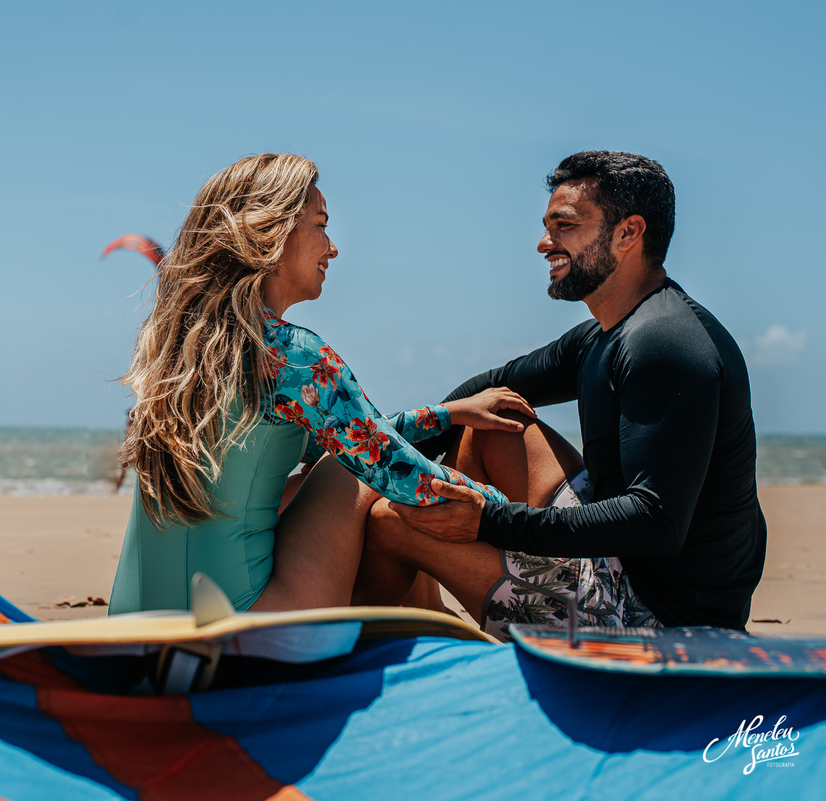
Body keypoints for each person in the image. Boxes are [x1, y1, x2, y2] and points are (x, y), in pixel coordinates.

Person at [361, 151, 766, 639]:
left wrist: (489, 522)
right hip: (620, 560)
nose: (543, 243)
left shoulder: (664, 345)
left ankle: (375, 650)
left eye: (565, 226)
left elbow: (654, 520)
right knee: (495, 419)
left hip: (658, 617)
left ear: (628, 233)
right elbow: (487, 390)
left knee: (390, 522)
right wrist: (386, 465)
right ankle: (428, 611)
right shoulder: (605, 333)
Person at [108, 153, 536, 615]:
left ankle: (433, 618)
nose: (332, 248)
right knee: (342, 472)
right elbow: (400, 473)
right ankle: (512, 604)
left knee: (334, 462)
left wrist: (447, 415)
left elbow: (342, 434)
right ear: (269, 232)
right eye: (320, 224)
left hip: (139, 632)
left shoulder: (181, 352)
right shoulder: (294, 355)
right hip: (248, 630)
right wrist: (525, 521)